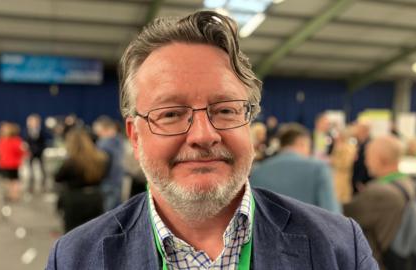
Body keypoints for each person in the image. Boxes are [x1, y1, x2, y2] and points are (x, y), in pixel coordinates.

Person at [46, 11, 377, 269]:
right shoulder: (75, 258)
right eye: (171, 113)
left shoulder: (339, 247)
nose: (204, 135)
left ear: (249, 120)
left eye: (225, 109)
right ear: (135, 135)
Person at [344, 136, 415, 269]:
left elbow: (341, 216)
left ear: (380, 159)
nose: (365, 161)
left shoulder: (377, 192)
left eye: (367, 156)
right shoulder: (408, 184)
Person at [250, 123, 341, 213]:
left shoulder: (257, 172)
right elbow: (333, 215)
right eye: (309, 146)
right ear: (301, 143)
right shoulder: (319, 169)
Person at [55, 129, 108, 232]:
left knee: (73, 236)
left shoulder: (70, 163)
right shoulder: (100, 159)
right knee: (95, 232)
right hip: (95, 198)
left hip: (74, 200)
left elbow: (57, 178)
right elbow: (104, 176)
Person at [93, 116, 125, 212]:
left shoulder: (103, 144)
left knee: (108, 214)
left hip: (107, 182)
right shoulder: (120, 140)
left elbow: (99, 165)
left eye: (98, 131)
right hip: (118, 181)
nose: (97, 134)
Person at [0, 122, 25, 201]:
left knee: (14, 180)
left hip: (13, 164)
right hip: (4, 164)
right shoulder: (2, 140)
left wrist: (19, 159)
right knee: (7, 181)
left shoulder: (16, 140)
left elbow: (22, 151)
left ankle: (14, 195)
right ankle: (10, 194)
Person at [24, 114, 47, 193]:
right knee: (30, 168)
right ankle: (31, 182)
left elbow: (44, 142)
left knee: (42, 167)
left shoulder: (41, 131)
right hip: (31, 152)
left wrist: (41, 149)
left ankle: (43, 183)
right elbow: (26, 141)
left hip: (39, 152)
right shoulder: (27, 131)